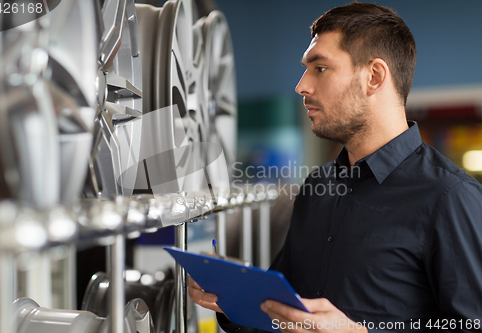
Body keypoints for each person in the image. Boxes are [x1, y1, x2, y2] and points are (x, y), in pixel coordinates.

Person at [189, 2, 482, 332]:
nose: (302, 86)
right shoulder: (317, 187)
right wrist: (233, 297)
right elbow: (283, 317)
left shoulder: (450, 196)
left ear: (374, 77)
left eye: (320, 68)